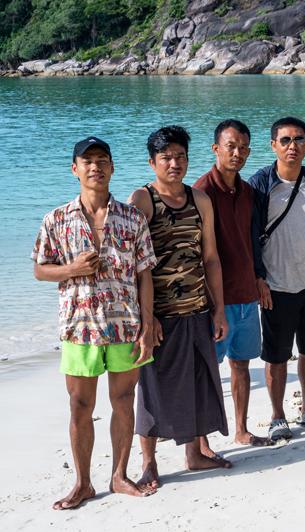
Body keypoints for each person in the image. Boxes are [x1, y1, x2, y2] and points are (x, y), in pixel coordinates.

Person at [33, 137, 158, 509]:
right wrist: (72, 269)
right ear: (75, 169)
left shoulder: (132, 218)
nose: (95, 167)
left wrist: (147, 325)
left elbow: (145, 274)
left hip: (126, 325)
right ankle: (83, 483)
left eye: (102, 160)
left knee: (124, 400)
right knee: (79, 405)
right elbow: (40, 269)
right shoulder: (56, 219)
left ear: (112, 168)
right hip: (79, 328)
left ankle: (119, 475)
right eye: (87, 161)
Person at [130, 126, 232, 488]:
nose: (174, 164)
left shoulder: (199, 199)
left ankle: (194, 454)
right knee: (152, 389)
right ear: (152, 163)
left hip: (198, 308)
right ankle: (149, 463)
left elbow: (211, 258)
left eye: (180, 157)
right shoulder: (142, 200)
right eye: (166, 158)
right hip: (159, 315)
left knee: (199, 382)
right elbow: (134, 265)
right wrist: (146, 318)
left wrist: (218, 309)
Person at [249, 117, 305, 440]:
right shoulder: (260, 184)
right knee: (276, 355)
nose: (292, 146)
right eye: (285, 140)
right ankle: (277, 417)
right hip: (276, 283)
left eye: (299, 139)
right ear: (273, 145)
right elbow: (249, 235)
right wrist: (258, 277)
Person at [194, 119, 272, 445]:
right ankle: (201, 443)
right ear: (216, 149)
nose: (237, 153)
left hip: (246, 294)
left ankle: (241, 429)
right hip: (215, 300)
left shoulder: (248, 192)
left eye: (242, 148)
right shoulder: (201, 192)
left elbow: (253, 241)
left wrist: (259, 278)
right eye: (230, 147)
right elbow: (197, 253)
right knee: (207, 370)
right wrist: (211, 303)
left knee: (241, 364)